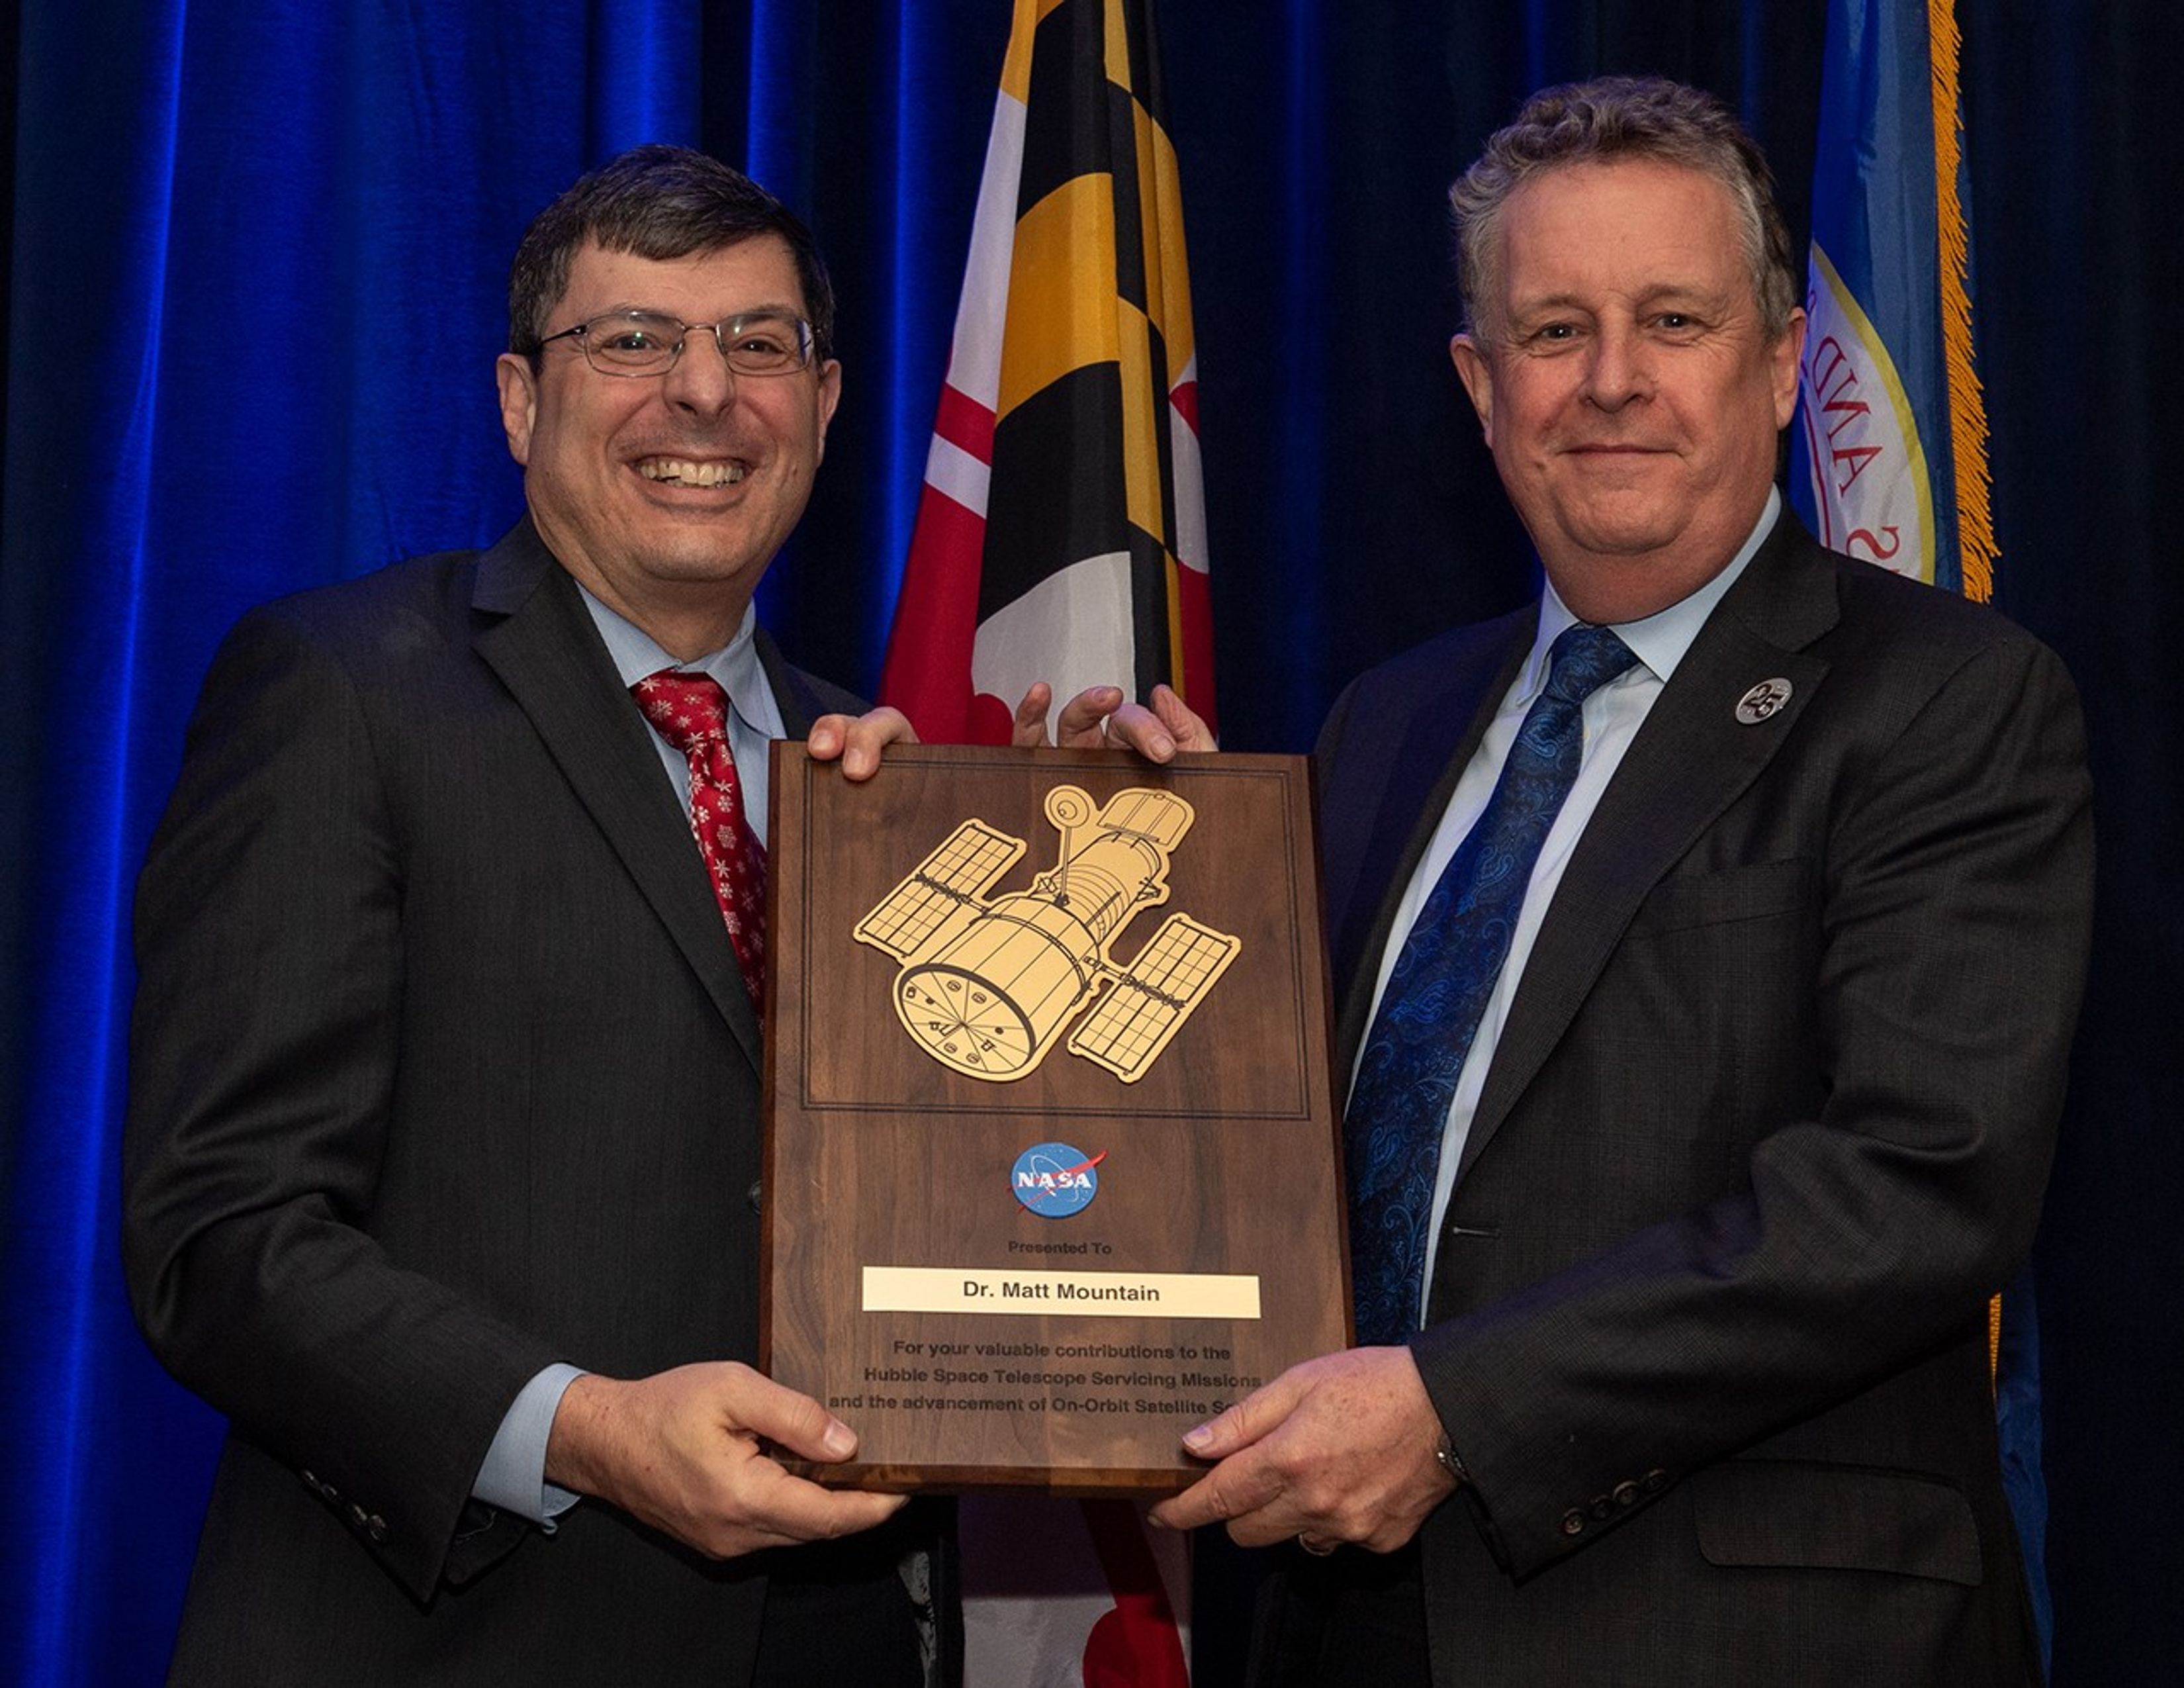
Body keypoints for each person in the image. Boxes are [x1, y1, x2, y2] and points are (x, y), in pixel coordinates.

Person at [120, 144, 1140, 1685]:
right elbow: (222, 1239)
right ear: (523, 400)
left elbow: (1003, 1204)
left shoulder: (885, 784)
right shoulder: (341, 692)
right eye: (634, 341)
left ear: (828, 401)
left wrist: (1138, 858)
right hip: (449, 1638)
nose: (705, 394)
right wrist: (586, 1431)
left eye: (757, 344)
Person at [1145, 78, 2093, 1683]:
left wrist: (1458, 1413)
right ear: (1479, 382)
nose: (1612, 384)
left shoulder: (1950, 701)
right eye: (1554, 329)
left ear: (1783, 363)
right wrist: (1086, 848)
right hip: (1347, 1629)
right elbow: (1272, 1131)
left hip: (1753, 1633)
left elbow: (1921, 1182)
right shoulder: (1389, 719)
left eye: (1672, 320)